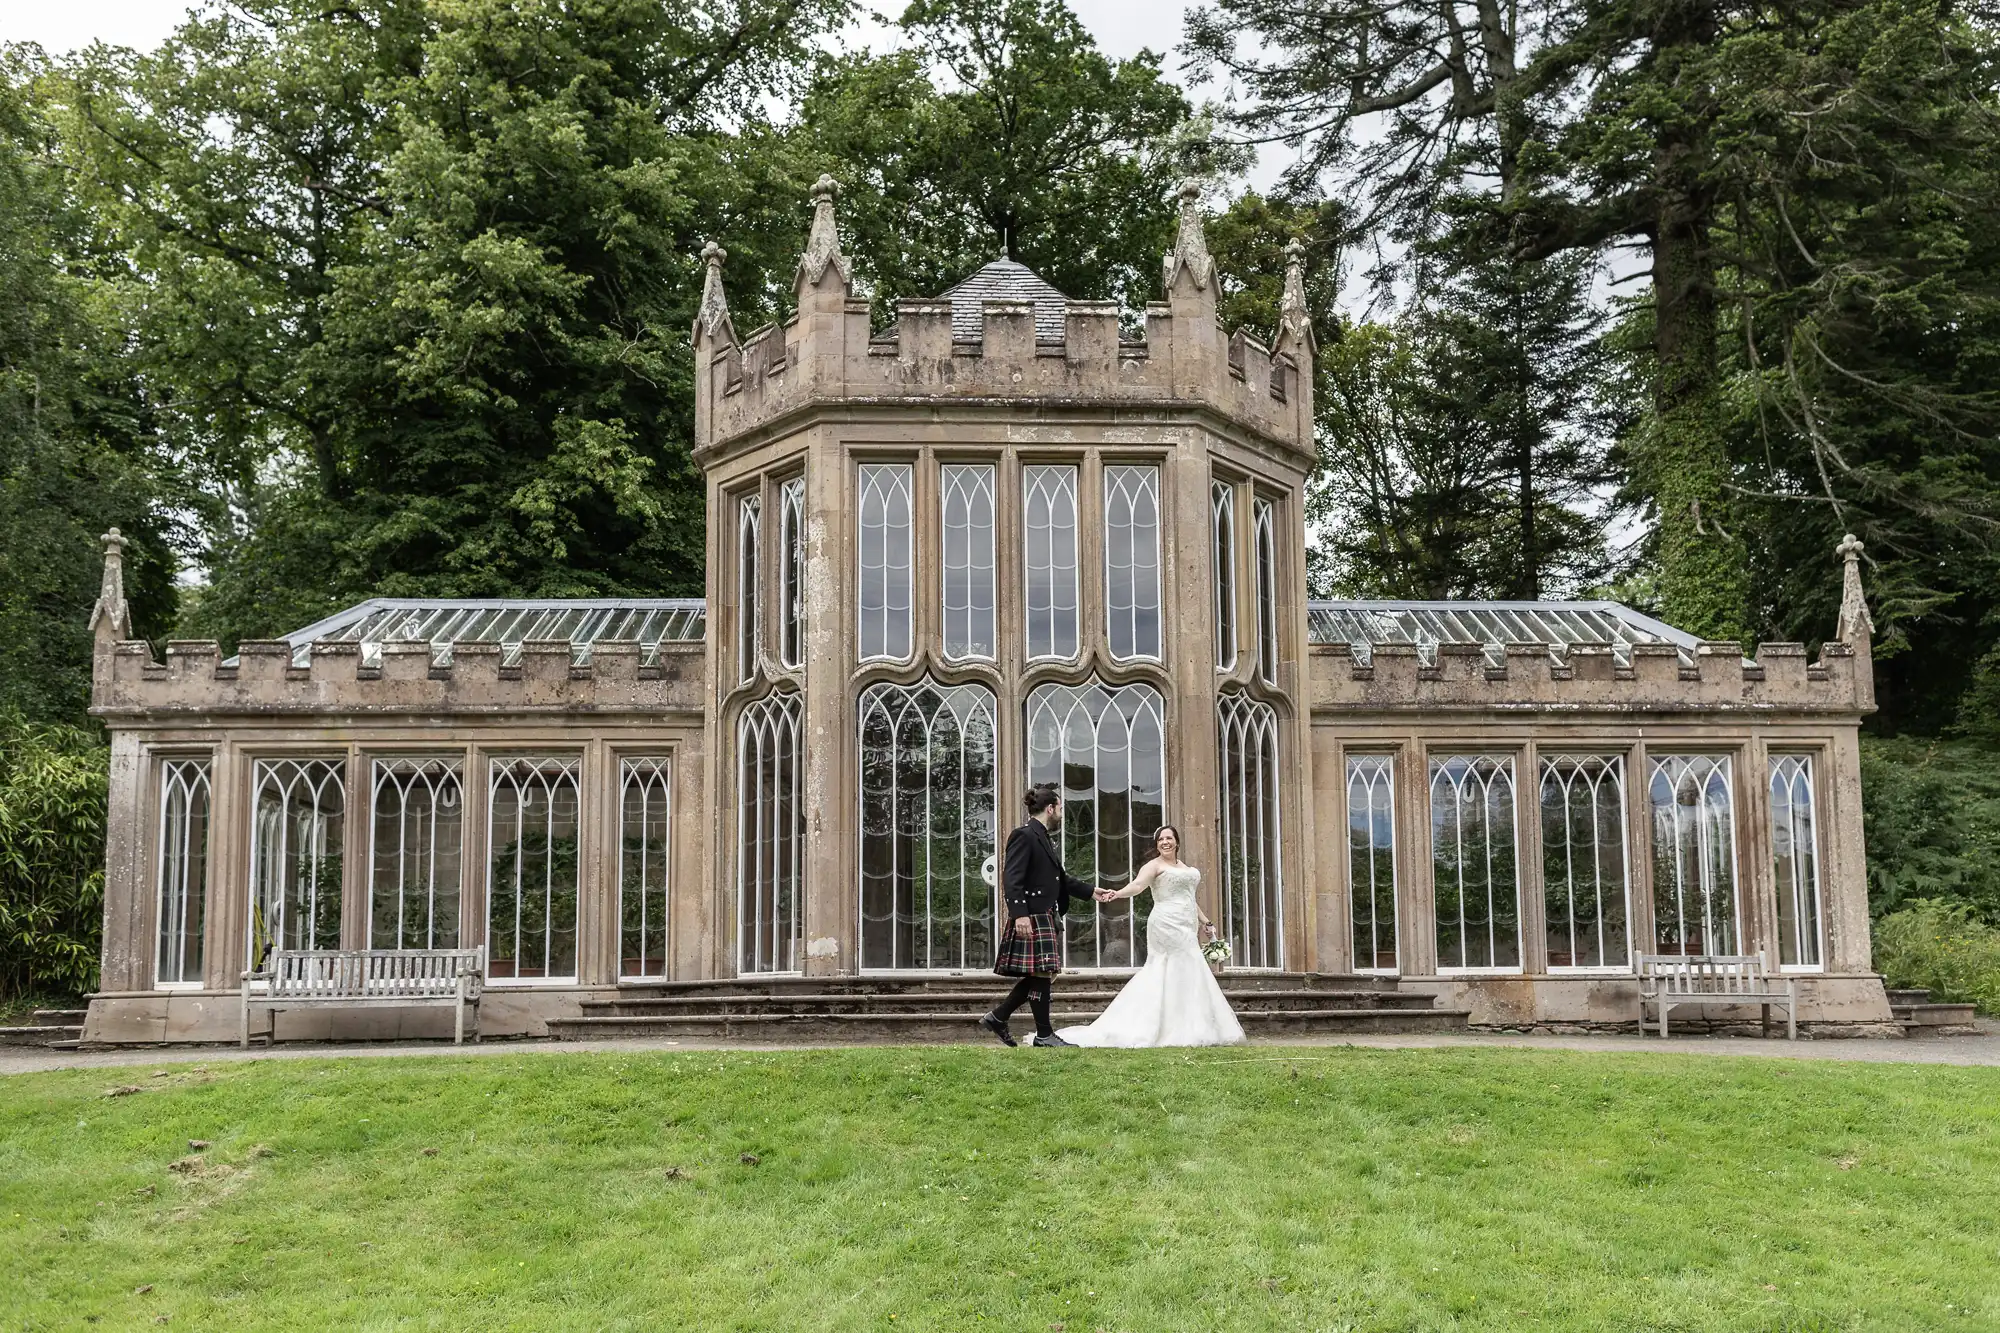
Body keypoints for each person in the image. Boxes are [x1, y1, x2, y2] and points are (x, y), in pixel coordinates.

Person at [1055, 824, 1245, 1048]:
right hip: (1165, 924)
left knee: (1190, 968)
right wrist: (1116, 894)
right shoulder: (1153, 866)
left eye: (1169, 838)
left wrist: (1206, 922)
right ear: (1157, 845)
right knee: (1166, 967)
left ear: (1177, 842)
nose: (1165, 842)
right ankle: (1158, 1025)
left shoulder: (1185, 868)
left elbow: (1189, 899)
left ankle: (1190, 1024)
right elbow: (1137, 886)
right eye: (1160, 839)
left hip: (1187, 925)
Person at [980, 784, 1099, 1048]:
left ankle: (1001, 1018)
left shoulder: (1042, 837)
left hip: (1043, 912)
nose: (1062, 814)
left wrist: (1091, 892)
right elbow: (1012, 878)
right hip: (1032, 914)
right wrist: (1020, 915)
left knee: (1042, 974)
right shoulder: (1024, 835)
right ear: (1050, 808)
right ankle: (1041, 1034)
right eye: (1060, 808)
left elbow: (1058, 878)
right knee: (1042, 974)